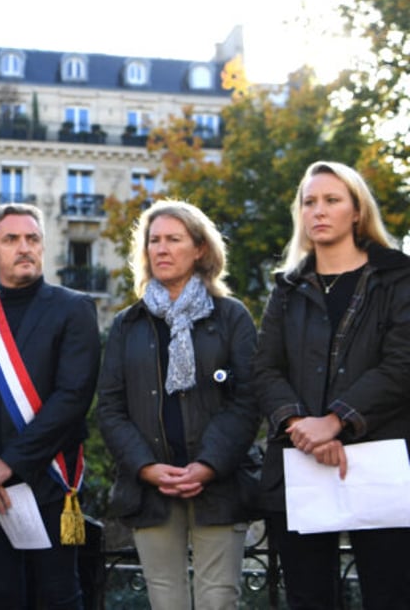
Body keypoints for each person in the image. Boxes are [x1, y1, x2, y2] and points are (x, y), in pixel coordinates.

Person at [253, 161, 410, 609]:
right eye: (309, 202)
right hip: (298, 462)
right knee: (308, 599)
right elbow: (264, 369)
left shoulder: (399, 278)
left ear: (357, 211)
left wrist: (337, 420)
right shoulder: (287, 288)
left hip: (382, 462)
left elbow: (402, 365)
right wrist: (304, 425)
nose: (318, 211)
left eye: (332, 200)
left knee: (390, 595)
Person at [96, 199, 260, 610]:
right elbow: (111, 409)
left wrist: (208, 465)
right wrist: (146, 468)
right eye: (154, 240)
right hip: (150, 490)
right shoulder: (127, 325)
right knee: (165, 602)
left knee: (217, 601)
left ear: (200, 249)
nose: (162, 249)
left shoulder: (231, 317)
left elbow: (247, 399)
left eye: (174, 239)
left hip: (219, 486)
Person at [0, 203, 100, 609]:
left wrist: (7, 465)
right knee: (1, 598)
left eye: (32, 239)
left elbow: (72, 398)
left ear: (43, 248)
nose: (23, 247)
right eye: (11, 239)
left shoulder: (74, 308)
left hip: (48, 484)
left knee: (57, 598)